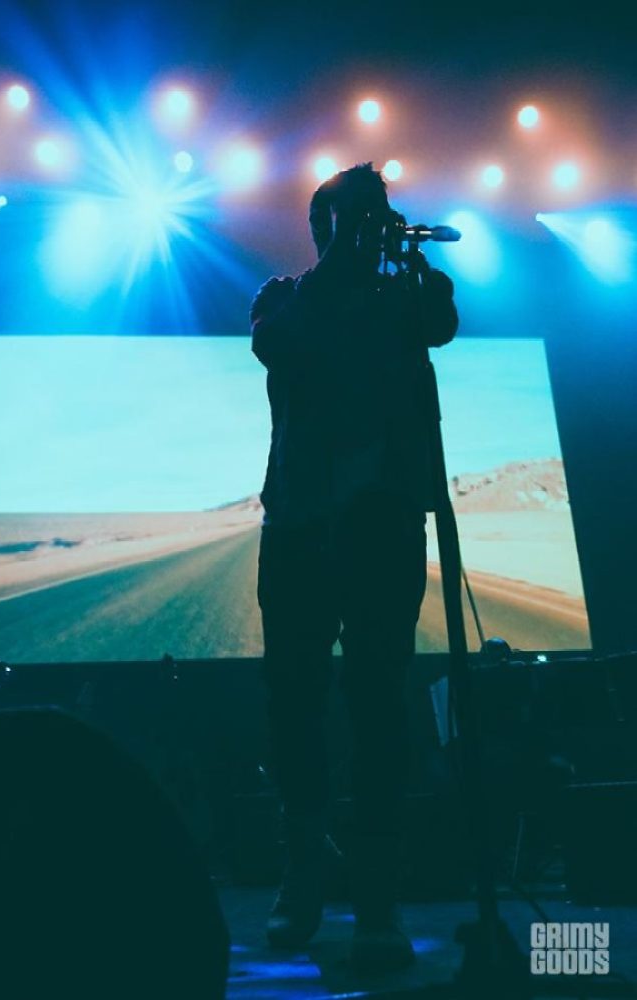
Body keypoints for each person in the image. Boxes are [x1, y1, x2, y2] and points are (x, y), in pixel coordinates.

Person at [250, 163, 458, 973]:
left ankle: (375, 893)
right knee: (293, 702)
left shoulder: (403, 297)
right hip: (301, 523)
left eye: (377, 215)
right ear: (323, 228)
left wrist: (406, 264)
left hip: (383, 524)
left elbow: (440, 323)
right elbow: (278, 348)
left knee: (379, 703)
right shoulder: (283, 296)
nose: (372, 227)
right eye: (353, 217)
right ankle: (303, 866)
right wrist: (344, 257)